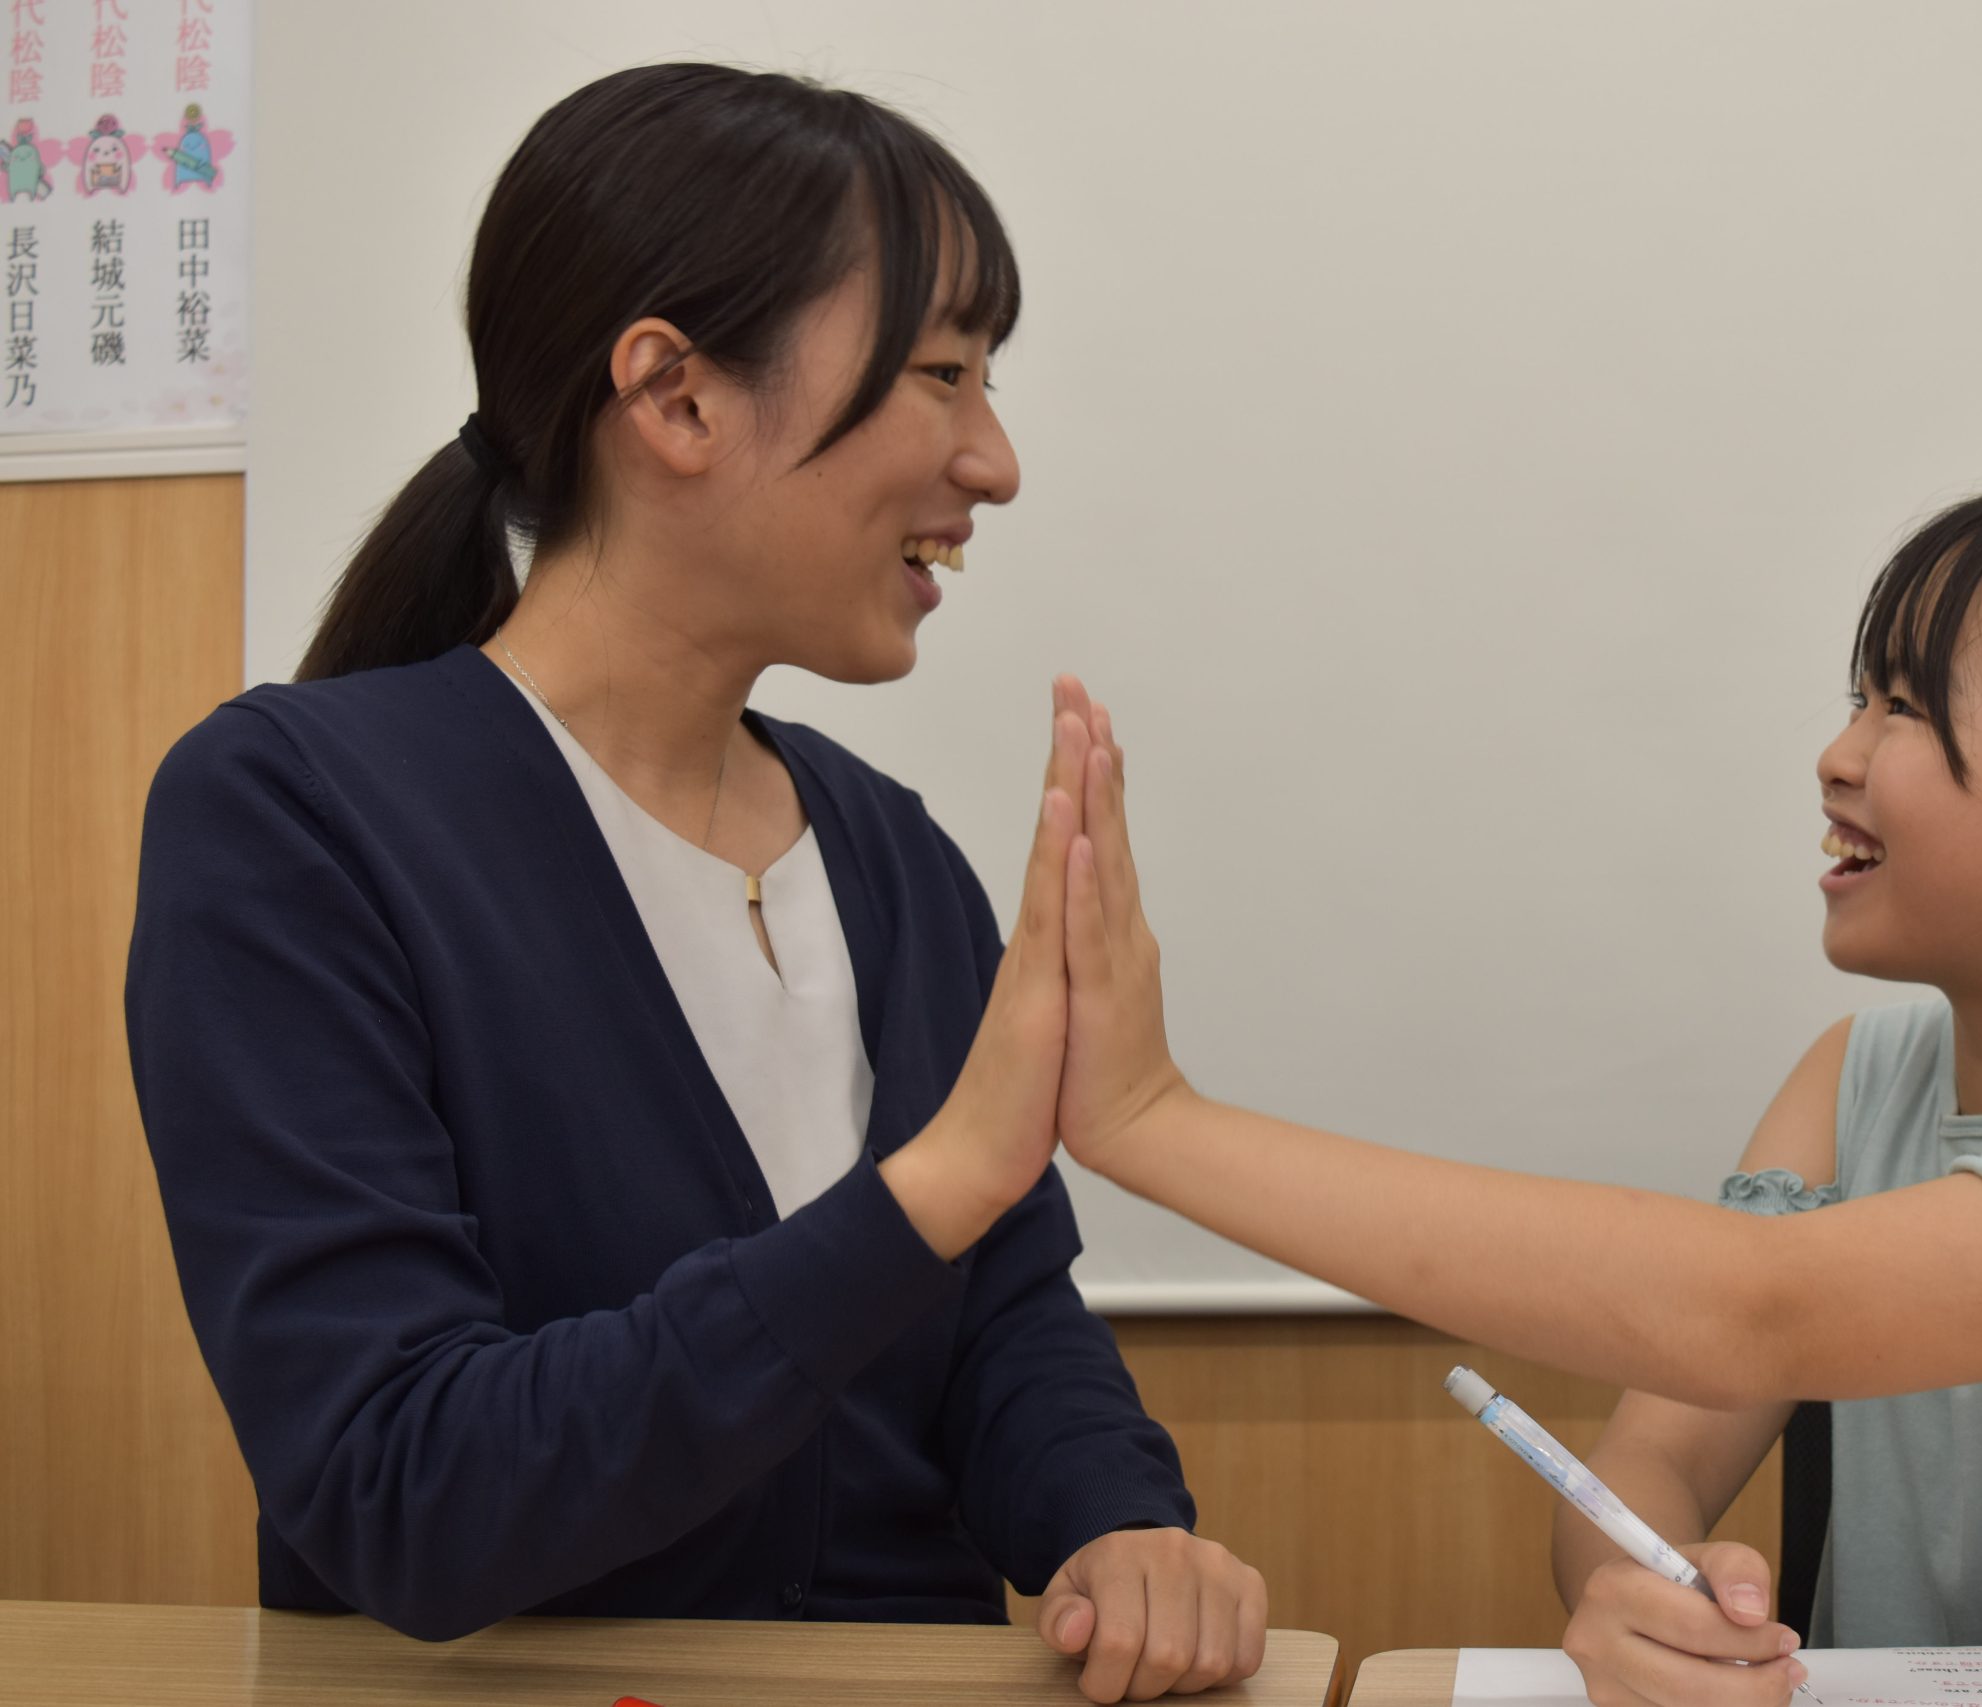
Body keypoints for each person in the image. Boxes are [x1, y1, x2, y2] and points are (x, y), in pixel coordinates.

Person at [126, 64, 1264, 1701]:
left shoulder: (889, 853)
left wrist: (1117, 1527)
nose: (995, 460)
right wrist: (921, 1193)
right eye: (940, 372)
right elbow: (405, 1490)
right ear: (673, 398)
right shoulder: (291, 820)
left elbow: (1009, 1326)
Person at [1021, 486, 1982, 1700]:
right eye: (1856, 699)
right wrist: (1642, 1583)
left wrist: (1160, 1123)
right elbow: (1657, 1451)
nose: (1836, 756)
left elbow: (1762, 1305)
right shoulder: (1853, 1078)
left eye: (1904, 712)